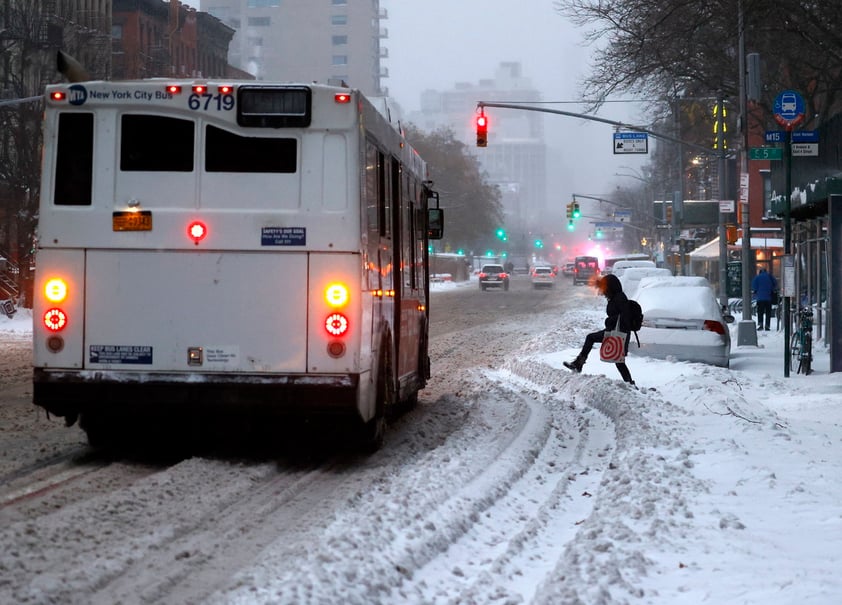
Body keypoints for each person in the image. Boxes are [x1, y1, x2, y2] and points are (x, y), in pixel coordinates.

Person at [564, 273, 635, 385]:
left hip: (620, 334)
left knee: (618, 360)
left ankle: (630, 383)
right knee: (618, 360)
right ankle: (578, 364)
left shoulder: (620, 298)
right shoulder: (614, 298)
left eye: (605, 288)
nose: (603, 291)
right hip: (613, 332)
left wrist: (609, 321)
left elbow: (624, 316)